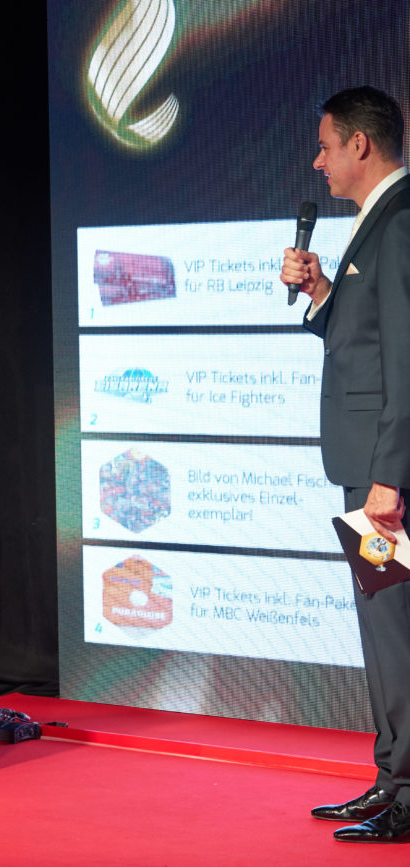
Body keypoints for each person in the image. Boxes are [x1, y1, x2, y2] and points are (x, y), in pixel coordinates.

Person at [280, 85, 410, 843]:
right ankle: (392, 776)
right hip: (368, 469)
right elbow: (363, 339)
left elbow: (407, 360)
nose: (318, 160)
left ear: (361, 144)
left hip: (386, 477)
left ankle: (408, 791)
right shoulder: (376, 221)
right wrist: (323, 290)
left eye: (326, 146)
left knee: (397, 628)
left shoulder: (401, 220)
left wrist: (391, 475)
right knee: (381, 624)